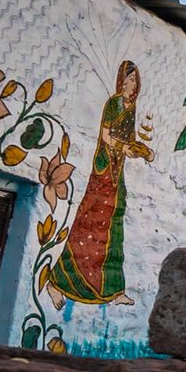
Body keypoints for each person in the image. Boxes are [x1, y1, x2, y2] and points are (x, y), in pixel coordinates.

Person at [46, 60, 153, 307]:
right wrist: (124, 147)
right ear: (120, 82)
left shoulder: (131, 106)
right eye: (128, 80)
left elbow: (129, 138)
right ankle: (58, 282)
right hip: (104, 169)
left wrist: (140, 150)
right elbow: (106, 136)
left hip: (118, 171)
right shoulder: (114, 103)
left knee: (113, 230)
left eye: (134, 80)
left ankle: (114, 290)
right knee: (89, 225)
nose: (131, 85)